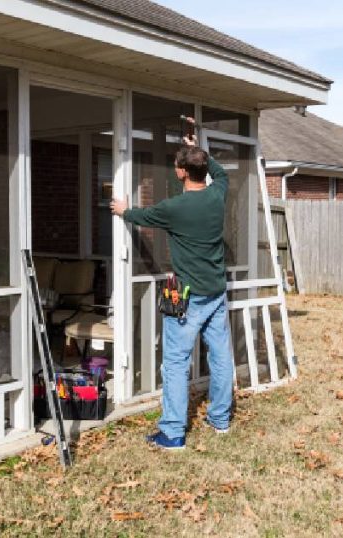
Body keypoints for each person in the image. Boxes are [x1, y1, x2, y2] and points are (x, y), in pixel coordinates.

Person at [110, 118, 233, 450]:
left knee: (176, 362)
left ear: (180, 172)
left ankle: (173, 433)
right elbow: (220, 174)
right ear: (202, 171)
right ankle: (220, 419)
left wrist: (122, 210)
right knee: (220, 355)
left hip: (189, 297)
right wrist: (199, 151)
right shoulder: (217, 195)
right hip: (216, 291)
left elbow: (139, 216)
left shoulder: (173, 208)